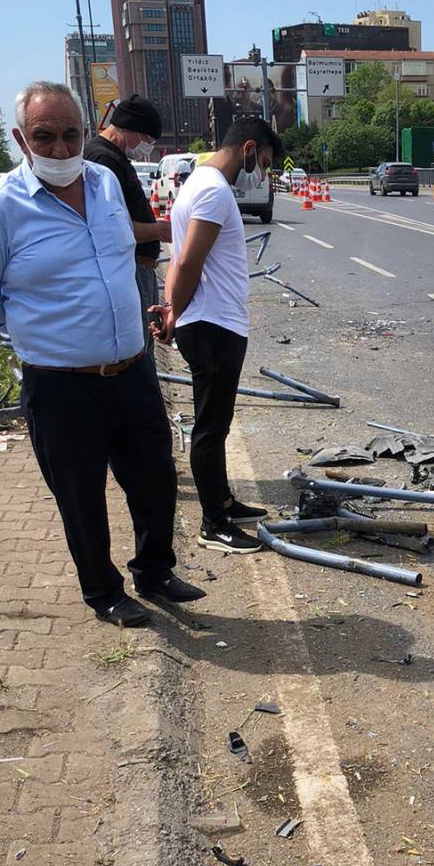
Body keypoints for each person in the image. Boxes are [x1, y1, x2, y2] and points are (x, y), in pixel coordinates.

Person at [0, 80, 203, 628]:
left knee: (156, 481)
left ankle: (155, 571)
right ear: (21, 138)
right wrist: (37, 328)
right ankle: (104, 592)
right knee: (81, 495)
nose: (62, 150)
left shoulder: (108, 185)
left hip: (133, 372)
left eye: (71, 135)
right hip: (62, 385)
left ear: (86, 132)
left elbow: (123, 258)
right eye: (46, 137)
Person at [153, 116, 283, 554]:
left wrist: (174, 310)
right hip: (212, 325)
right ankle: (214, 523)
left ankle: (224, 501)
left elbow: (178, 260)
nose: (261, 173)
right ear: (248, 148)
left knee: (218, 424)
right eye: (262, 162)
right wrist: (177, 313)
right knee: (210, 427)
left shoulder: (197, 184)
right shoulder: (212, 189)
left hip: (211, 321)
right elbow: (187, 262)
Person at [83, 94, 171, 355]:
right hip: (128, 268)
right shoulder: (104, 160)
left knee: (144, 340)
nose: (148, 147)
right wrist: (160, 230)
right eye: (148, 140)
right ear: (131, 130)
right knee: (139, 347)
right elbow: (111, 229)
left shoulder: (115, 157)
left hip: (136, 267)